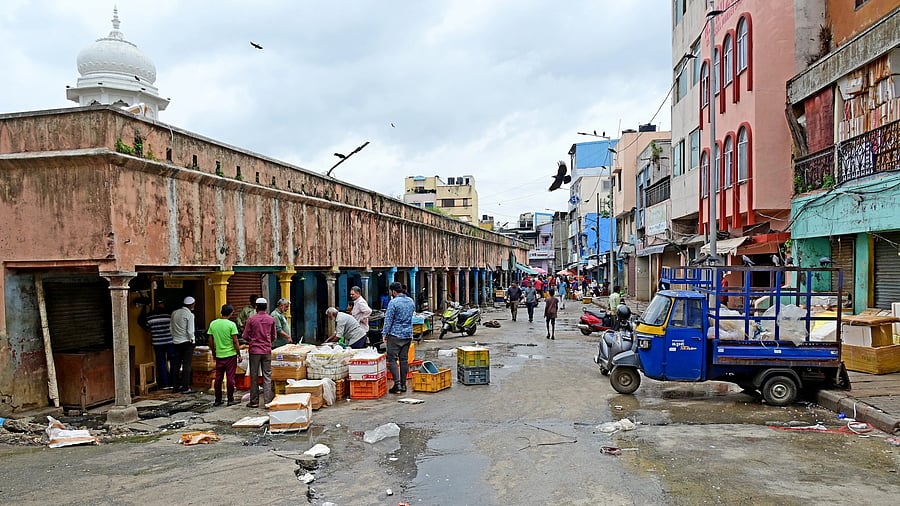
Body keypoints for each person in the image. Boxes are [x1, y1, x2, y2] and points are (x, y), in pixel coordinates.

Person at [243, 297, 277, 408]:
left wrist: (253, 341)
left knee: (254, 376)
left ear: (256, 307)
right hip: (267, 349)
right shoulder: (271, 319)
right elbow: (274, 336)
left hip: (254, 350)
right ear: (266, 307)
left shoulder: (251, 319)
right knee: (267, 375)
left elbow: (245, 335)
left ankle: (254, 401)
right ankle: (267, 401)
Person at [382, 282, 414, 394]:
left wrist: (384, 333)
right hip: (408, 334)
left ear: (394, 291)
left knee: (392, 359)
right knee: (404, 359)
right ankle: (404, 385)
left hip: (395, 335)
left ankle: (397, 384)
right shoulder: (411, 301)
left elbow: (388, 320)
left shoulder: (393, 302)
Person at [208, 304, 241, 407]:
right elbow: (235, 341)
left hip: (219, 355)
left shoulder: (213, 324)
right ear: (231, 313)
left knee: (218, 377)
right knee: (230, 378)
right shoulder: (231, 325)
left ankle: (218, 399)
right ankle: (230, 399)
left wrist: (214, 351)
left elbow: (210, 340)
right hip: (230, 355)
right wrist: (239, 353)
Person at [145, 299, 175, 390]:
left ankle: (165, 383)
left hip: (157, 342)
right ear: (163, 305)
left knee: (161, 362)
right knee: (173, 361)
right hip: (169, 341)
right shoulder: (169, 315)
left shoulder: (150, 316)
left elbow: (147, 328)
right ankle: (173, 382)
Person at [169, 296, 197, 394]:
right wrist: (192, 340)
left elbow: (171, 328)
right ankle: (185, 387)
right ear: (192, 305)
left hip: (176, 342)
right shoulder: (189, 315)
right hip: (186, 342)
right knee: (186, 365)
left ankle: (175, 386)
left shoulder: (174, 313)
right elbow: (190, 331)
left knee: (176, 365)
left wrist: (174, 337)